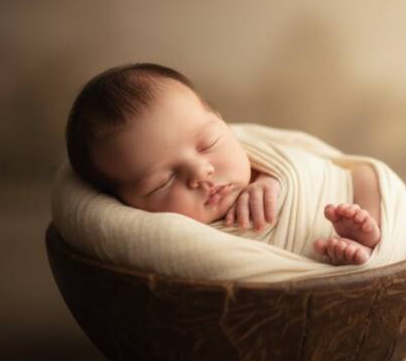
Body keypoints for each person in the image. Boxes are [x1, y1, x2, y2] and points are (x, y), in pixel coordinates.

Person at [66, 63, 382, 265]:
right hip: (299, 277)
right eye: (162, 181)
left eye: (209, 144)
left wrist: (272, 181)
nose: (201, 174)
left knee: (368, 176)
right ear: (125, 204)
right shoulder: (173, 245)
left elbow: (310, 168)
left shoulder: (262, 162)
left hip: (330, 206)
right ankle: (350, 255)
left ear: (222, 123)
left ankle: (369, 237)